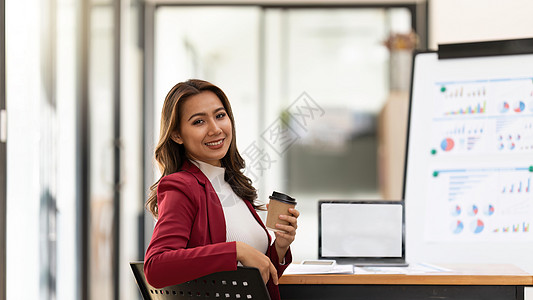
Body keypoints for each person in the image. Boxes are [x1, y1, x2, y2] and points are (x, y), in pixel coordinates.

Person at [144, 79, 299, 300]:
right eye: (199, 122)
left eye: (220, 116)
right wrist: (236, 250)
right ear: (177, 135)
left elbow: (256, 279)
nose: (215, 129)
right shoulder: (181, 185)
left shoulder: (233, 183)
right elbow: (156, 267)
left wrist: (281, 246)